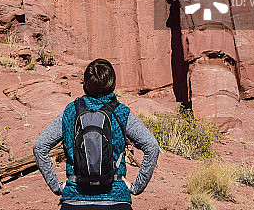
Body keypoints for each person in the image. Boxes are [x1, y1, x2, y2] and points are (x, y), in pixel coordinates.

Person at [33, 58, 159, 209]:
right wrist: (136, 187)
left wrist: (57, 187)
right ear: (112, 83)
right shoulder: (121, 112)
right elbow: (152, 146)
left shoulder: (71, 111)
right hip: (115, 198)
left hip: (74, 199)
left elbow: (39, 147)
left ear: (86, 83)